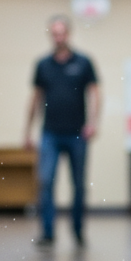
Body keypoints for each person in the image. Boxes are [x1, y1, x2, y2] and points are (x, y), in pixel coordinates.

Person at [25, 15, 100, 246]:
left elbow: (95, 94)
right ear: (51, 36)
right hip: (50, 134)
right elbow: (36, 98)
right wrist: (27, 131)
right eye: (54, 33)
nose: (59, 37)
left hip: (77, 133)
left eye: (62, 33)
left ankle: (78, 231)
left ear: (69, 34)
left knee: (78, 184)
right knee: (46, 181)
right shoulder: (43, 65)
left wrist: (93, 123)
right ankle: (48, 232)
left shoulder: (84, 62)